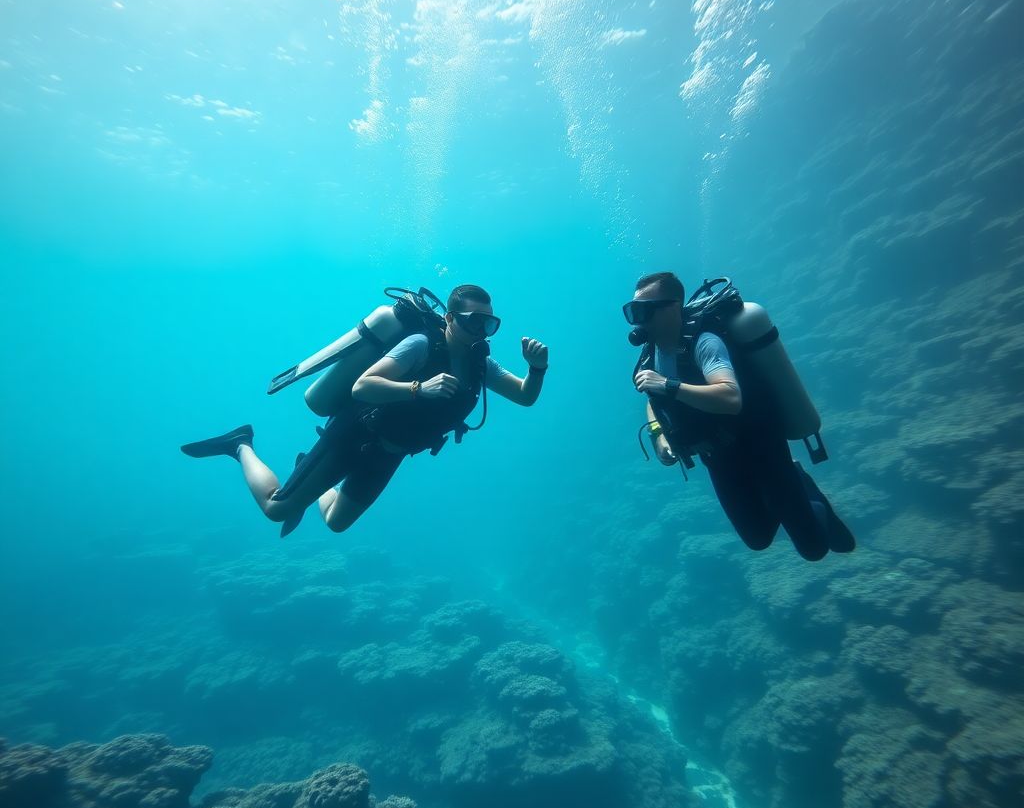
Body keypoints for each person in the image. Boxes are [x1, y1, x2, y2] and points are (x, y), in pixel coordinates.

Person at [181, 284, 549, 535]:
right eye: (473, 322)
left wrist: (537, 369)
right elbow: (363, 386)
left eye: (489, 324)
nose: (481, 331)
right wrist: (419, 387)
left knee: (336, 522)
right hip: (354, 437)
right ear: (451, 319)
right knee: (277, 509)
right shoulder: (420, 345)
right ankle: (240, 444)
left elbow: (525, 396)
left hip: (390, 455)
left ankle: (304, 472)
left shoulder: (481, 364)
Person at [626, 271, 854, 561]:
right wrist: (659, 435)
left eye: (645, 311)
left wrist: (668, 385)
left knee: (814, 549)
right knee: (758, 539)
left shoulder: (705, 342)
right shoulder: (650, 354)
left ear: (673, 307)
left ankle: (803, 487)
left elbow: (730, 398)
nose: (638, 321)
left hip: (759, 446)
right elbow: (653, 397)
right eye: (633, 312)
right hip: (717, 457)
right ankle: (786, 496)